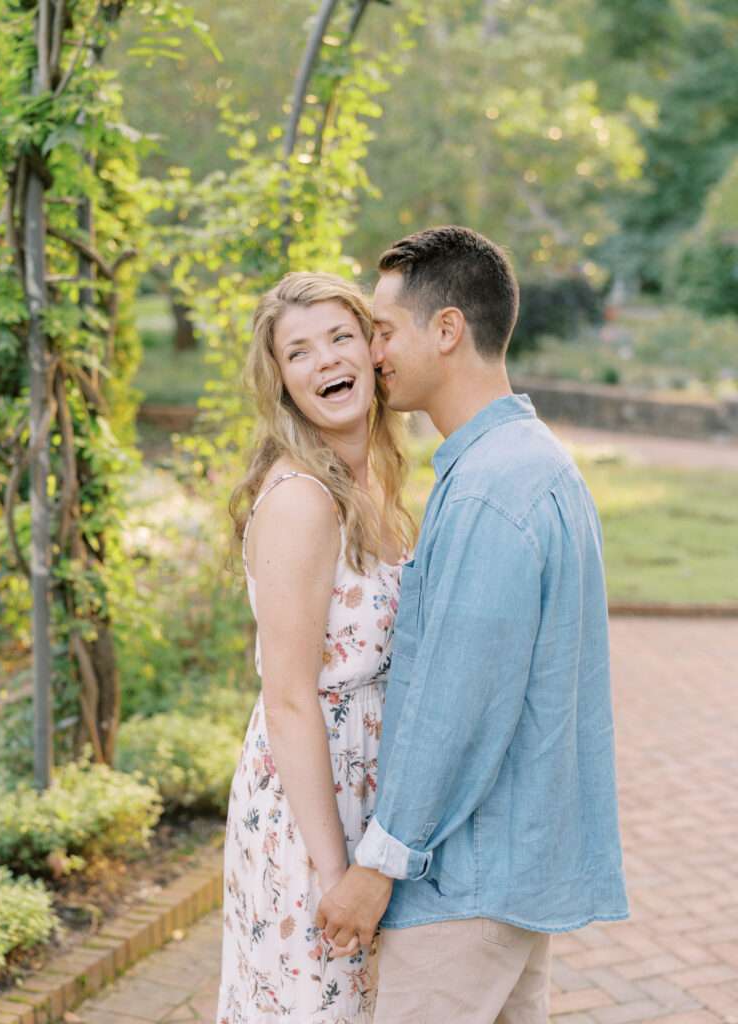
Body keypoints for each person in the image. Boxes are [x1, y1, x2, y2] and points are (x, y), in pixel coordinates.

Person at [316, 226, 629, 1024]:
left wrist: (376, 867)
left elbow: (457, 706)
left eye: (383, 330)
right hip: (512, 873)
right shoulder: (529, 463)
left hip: (465, 884)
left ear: (447, 329)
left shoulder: (494, 488)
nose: (371, 351)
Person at [216, 271, 415, 1023]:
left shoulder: (375, 480)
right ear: (283, 383)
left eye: (340, 337)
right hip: (314, 802)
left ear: (371, 349)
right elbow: (291, 696)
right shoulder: (302, 499)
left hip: (368, 783)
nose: (326, 360)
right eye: (299, 352)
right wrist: (336, 873)